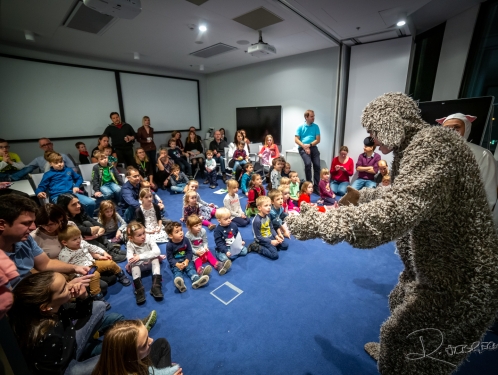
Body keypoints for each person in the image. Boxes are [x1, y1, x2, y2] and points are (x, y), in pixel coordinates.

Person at [286, 92, 498, 375]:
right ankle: (396, 357)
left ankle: (399, 360)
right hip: (433, 268)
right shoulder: (415, 147)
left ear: (390, 122)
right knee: (399, 301)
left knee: (405, 340)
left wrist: (319, 224)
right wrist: (362, 196)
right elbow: (403, 195)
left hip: (462, 279)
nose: (371, 139)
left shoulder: (434, 145)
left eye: (373, 130)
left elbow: (395, 213)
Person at [58, 225, 131, 309]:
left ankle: (121, 275)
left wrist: (103, 254)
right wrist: (74, 276)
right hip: (82, 272)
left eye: (79, 237)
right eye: (74, 239)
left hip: (92, 262)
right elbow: (66, 269)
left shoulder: (82, 243)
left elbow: (94, 248)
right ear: (64, 242)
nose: (78, 240)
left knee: (109, 263)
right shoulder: (64, 254)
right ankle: (97, 296)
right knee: (94, 276)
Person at [437, 113, 497, 211]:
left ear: (467, 129)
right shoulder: (433, 152)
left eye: (457, 127)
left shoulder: (482, 155)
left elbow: (489, 192)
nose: (451, 131)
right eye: (447, 128)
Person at [91, 320, 182, 375]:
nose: (151, 340)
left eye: (148, 336)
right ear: (130, 357)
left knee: (162, 344)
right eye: (144, 344)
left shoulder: (115, 362)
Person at [57, 193, 126, 263]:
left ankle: (112, 249)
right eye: (73, 204)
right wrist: (96, 229)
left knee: (87, 223)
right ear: (65, 207)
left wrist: (96, 234)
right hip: (80, 242)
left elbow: (101, 227)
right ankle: (108, 252)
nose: (78, 206)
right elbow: (88, 231)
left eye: (78, 203)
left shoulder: (80, 213)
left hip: (89, 237)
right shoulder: (67, 221)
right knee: (87, 227)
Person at [35, 152, 96, 216]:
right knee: (67, 209)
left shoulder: (68, 170)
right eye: (56, 163)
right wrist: (39, 192)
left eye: (61, 162)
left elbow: (79, 178)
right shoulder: (48, 174)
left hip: (71, 194)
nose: (59, 164)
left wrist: (76, 186)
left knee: (90, 203)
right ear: (50, 163)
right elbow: (41, 187)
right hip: (57, 196)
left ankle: (86, 218)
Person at [165, 221, 209, 293]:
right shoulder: (169, 245)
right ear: (170, 235)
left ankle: (196, 280)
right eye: (177, 232)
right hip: (176, 262)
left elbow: (189, 251)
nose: (181, 232)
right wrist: (177, 264)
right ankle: (180, 283)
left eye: (181, 230)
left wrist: (187, 260)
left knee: (191, 269)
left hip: (186, 260)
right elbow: (170, 258)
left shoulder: (186, 240)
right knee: (177, 271)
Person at [126, 222, 164, 304]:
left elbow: (157, 251)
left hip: (149, 263)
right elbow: (130, 258)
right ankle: (139, 289)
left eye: (143, 233)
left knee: (155, 259)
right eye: (139, 235)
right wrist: (149, 254)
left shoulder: (149, 238)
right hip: (139, 265)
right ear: (131, 238)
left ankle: (156, 286)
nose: (143, 236)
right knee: (134, 265)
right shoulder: (130, 244)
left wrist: (139, 256)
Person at [9, 138, 77, 181]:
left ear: (52, 144)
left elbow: (73, 169)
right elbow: (26, 168)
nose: (47, 146)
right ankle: (10, 178)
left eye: (48, 144)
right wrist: (11, 162)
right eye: (44, 145)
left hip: (63, 178)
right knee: (28, 169)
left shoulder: (63, 156)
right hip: (47, 180)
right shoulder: (38, 159)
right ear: (41, 147)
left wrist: (67, 176)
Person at [295, 110, 321, 191]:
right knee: (308, 164)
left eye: (314, 116)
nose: (313, 118)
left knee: (317, 165)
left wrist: (309, 145)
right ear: (306, 117)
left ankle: (316, 187)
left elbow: (318, 140)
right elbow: (296, 139)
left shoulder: (316, 126)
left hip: (313, 147)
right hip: (302, 147)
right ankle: (309, 185)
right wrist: (304, 147)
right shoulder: (300, 127)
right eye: (311, 116)